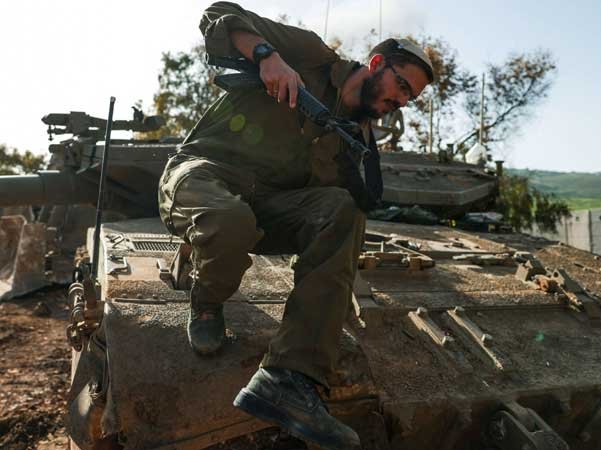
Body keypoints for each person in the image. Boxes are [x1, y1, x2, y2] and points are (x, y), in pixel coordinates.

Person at [157, 2, 433, 448]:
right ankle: (206, 301)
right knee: (229, 220)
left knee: (344, 210)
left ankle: (288, 378)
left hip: (269, 205)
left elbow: (334, 220)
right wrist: (268, 56)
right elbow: (218, 14)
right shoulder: (310, 54)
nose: (401, 101)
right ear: (377, 64)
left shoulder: (357, 141)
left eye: (410, 98)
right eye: (401, 85)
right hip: (205, 173)